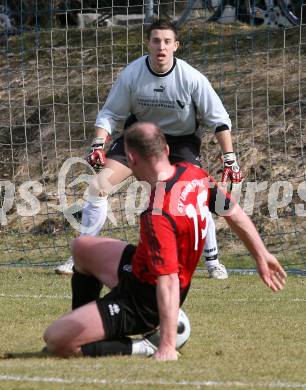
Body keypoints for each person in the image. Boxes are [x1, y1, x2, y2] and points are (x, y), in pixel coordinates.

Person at [44, 122, 286, 361]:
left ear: (130, 157)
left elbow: (168, 280)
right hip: (143, 269)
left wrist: (168, 345)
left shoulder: (158, 214)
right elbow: (233, 213)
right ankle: (88, 328)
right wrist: (261, 255)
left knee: (55, 340)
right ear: (167, 150)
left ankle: (143, 346)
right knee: (81, 249)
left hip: (144, 302)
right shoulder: (194, 174)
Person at [55, 19, 242, 278]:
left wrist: (230, 158)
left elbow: (218, 119)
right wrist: (99, 143)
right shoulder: (132, 74)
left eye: (167, 42)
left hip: (179, 142)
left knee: (195, 198)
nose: (161, 47)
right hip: (139, 138)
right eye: (156, 41)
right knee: (98, 187)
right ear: (148, 43)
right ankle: (80, 256)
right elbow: (110, 113)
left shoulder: (191, 78)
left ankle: (213, 262)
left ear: (176, 46)